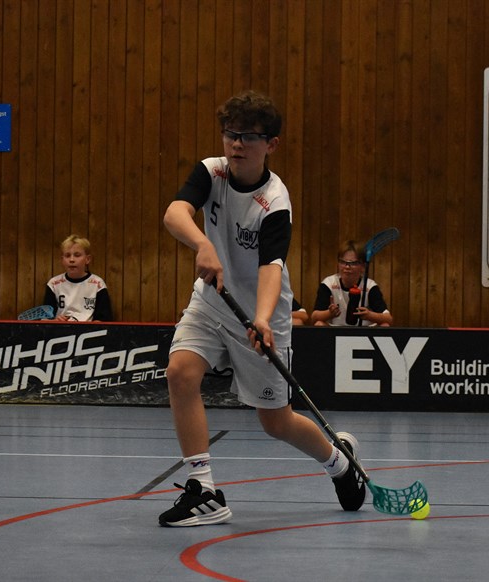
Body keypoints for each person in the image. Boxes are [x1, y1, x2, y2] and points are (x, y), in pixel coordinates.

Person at [159, 90, 365, 528]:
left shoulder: (275, 201)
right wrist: (202, 244)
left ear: (271, 144)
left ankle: (338, 463)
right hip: (212, 301)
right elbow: (175, 213)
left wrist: (263, 318)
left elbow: (272, 266)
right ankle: (204, 490)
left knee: (276, 422)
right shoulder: (211, 172)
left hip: (261, 314)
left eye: (249, 137)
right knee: (180, 373)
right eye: (230, 134)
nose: (236, 144)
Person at [310, 240, 394, 327]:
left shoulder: (370, 286)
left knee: (385, 325)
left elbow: (389, 319)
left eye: (353, 263)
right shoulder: (329, 284)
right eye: (343, 262)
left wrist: (369, 315)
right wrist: (329, 313)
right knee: (319, 324)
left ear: (363, 266)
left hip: (364, 331)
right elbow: (314, 318)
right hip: (335, 330)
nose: (347, 267)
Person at [43, 234, 114, 322]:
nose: (71, 260)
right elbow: (45, 320)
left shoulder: (98, 284)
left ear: (87, 259)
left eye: (77, 255)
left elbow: (104, 320)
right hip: (60, 329)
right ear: (62, 260)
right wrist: (55, 321)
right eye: (67, 255)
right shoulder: (54, 283)